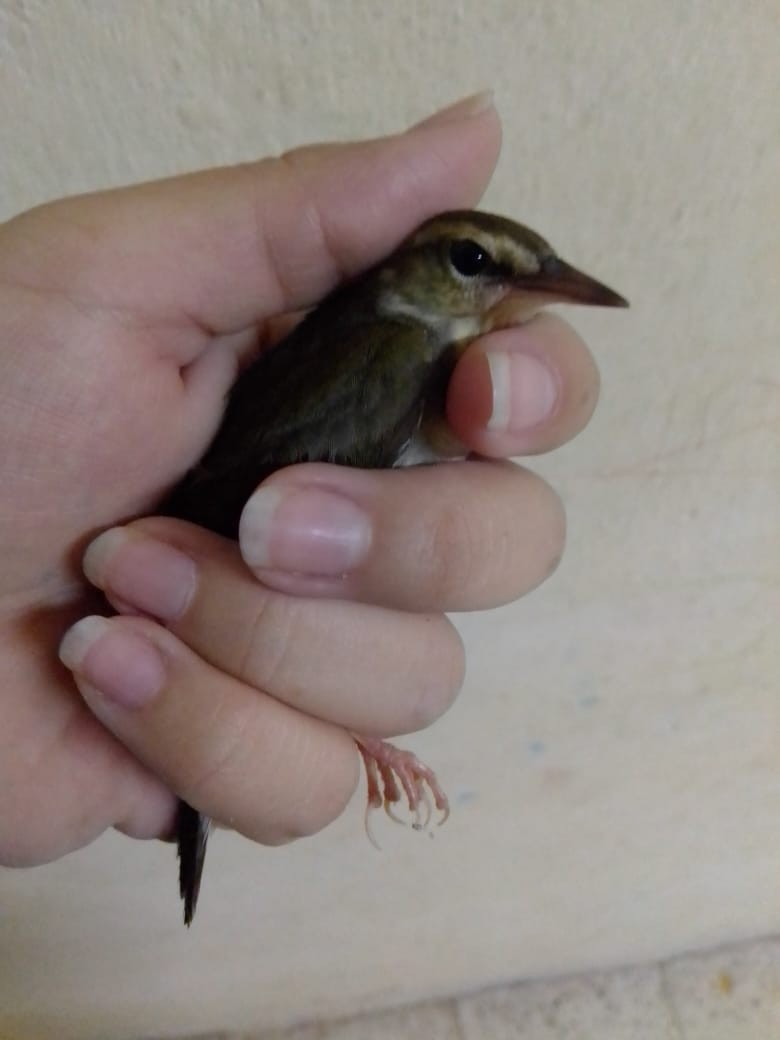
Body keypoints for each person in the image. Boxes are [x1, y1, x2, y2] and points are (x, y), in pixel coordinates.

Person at [0, 93, 600, 867]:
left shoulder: (407, 347)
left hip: (146, 591)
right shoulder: (399, 355)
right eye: (474, 263)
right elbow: (259, 541)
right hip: (169, 570)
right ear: (410, 271)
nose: (507, 286)